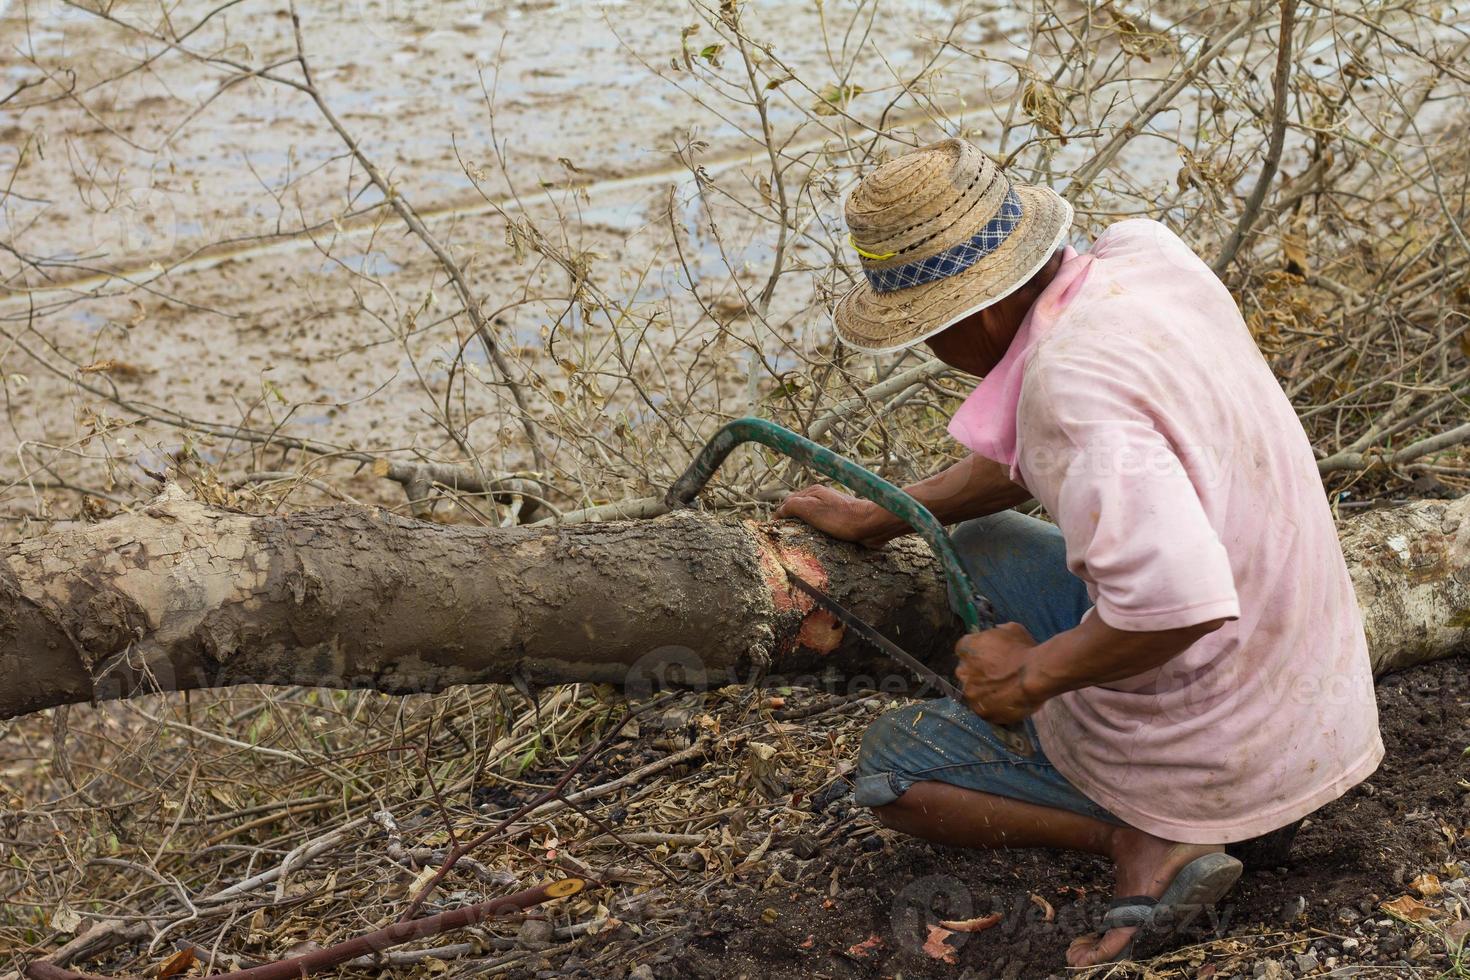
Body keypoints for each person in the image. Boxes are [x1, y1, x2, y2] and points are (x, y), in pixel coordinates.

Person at [775, 138, 1384, 966]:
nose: (931, 354)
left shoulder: (1069, 384)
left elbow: (1179, 602)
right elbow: (1023, 460)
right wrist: (886, 513)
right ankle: (1194, 801)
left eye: (927, 334)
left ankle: (1143, 836)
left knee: (891, 771)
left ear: (978, 315)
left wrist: (1030, 674)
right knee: (987, 541)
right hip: (1312, 704)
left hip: (1227, 752)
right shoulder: (1143, 259)